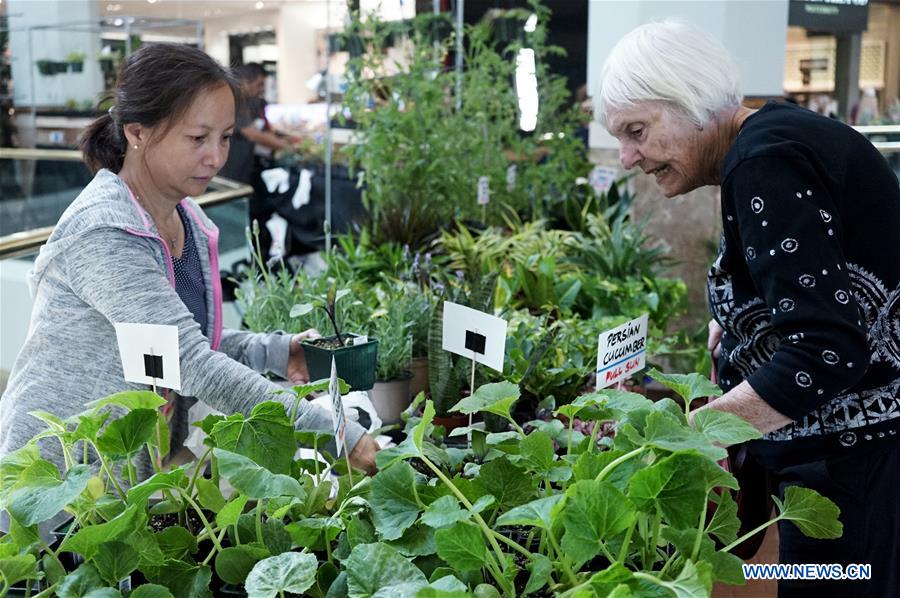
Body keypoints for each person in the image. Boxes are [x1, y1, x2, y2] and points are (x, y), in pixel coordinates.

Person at [597, 21, 900, 596]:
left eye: (637, 130)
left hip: (853, 470)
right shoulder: (777, 137)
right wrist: (737, 320)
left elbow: (825, 348)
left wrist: (695, 434)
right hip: (856, 465)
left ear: (689, 101)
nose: (628, 156)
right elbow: (817, 282)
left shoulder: (764, 159)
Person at [0, 44, 378, 489]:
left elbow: (179, 339)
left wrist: (275, 351)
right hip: (59, 477)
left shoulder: (188, 222)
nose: (216, 157)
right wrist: (334, 430)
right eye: (198, 138)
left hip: (123, 480)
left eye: (225, 136)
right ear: (138, 132)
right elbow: (188, 361)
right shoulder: (105, 230)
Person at [219, 62, 293, 257]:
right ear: (245, 82)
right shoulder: (234, 102)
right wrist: (287, 147)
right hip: (229, 175)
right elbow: (252, 133)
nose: (261, 90)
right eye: (258, 85)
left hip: (242, 173)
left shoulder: (247, 104)